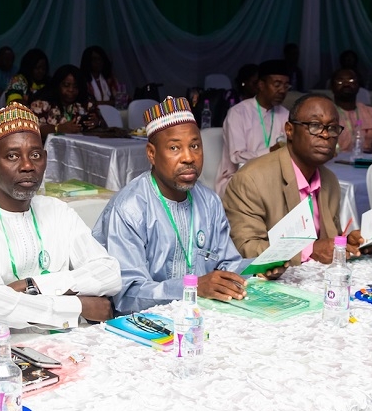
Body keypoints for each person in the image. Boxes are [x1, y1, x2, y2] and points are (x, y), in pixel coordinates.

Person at [0, 104, 121, 357]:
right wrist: (77, 306)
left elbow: (110, 274)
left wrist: (31, 285)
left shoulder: (58, 211)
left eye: (35, 155)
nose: (27, 165)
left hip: (65, 346)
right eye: (12, 156)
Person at [93, 97, 262, 314]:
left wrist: (259, 269)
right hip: (144, 325)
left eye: (195, 146)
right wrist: (193, 287)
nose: (189, 157)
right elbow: (128, 296)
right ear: (152, 154)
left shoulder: (209, 201)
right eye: (174, 148)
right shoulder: (130, 209)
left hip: (201, 315)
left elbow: (226, 265)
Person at [223, 94, 368, 262]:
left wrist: (347, 243)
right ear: (289, 130)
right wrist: (309, 251)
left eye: (332, 128)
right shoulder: (251, 180)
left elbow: (329, 240)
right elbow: (247, 249)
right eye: (315, 126)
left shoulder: (330, 180)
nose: (326, 135)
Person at [215, 59, 291, 195]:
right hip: (238, 178)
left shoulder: (285, 114)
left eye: (286, 86)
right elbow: (237, 157)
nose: (282, 91)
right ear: (261, 85)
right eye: (277, 84)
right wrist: (272, 150)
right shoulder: (238, 113)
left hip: (274, 176)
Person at [29, 64, 103, 138]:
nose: (71, 90)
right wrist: (58, 129)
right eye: (66, 85)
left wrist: (97, 122)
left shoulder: (86, 103)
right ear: (57, 85)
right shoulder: (40, 105)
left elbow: (104, 124)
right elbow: (32, 130)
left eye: (75, 86)